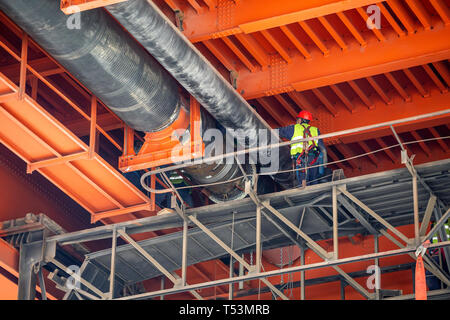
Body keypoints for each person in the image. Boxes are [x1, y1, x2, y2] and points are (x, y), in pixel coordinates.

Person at [278, 111, 326, 187]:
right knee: (314, 181)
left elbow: (278, 131)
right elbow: (322, 149)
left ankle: (307, 195)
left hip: (301, 159)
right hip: (314, 160)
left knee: (303, 182)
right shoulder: (315, 130)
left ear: (300, 120)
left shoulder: (294, 128)